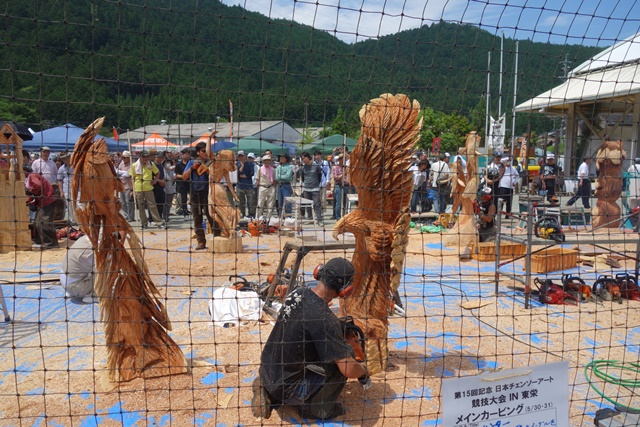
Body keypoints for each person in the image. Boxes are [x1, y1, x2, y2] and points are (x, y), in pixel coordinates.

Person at [253, 257, 368, 420]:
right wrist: (363, 372)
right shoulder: (324, 319)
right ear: (345, 289)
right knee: (345, 353)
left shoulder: (298, 293)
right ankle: (316, 408)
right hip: (289, 387)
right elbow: (348, 370)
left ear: (319, 272)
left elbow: (306, 322)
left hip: (267, 369)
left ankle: (267, 390)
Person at [182, 142, 217, 250]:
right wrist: (192, 168)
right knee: (197, 218)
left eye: (207, 150)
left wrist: (209, 172)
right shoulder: (192, 162)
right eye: (203, 151)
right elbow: (184, 177)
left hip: (208, 193)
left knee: (212, 216)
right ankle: (201, 241)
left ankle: (217, 238)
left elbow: (217, 177)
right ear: (198, 152)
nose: (205, 153)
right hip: (195, 193)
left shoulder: (211, 162)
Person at [129, 150, 164, 229]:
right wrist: (132, 190)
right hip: (138, 188)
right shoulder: (134, 165)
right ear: (140, 157)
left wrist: (155, 180)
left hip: (148, 188)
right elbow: (132, 178)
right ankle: (144, 223)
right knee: (141, 207)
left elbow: (158, 173)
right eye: (144, 157)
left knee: (152, 206)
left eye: (147, 157)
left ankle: (158, 222)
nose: (146, 159)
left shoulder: (150, 164)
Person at [25, 171, 59, 250]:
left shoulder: (32, 175)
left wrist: (30, 191)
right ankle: (38, 241)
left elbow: (37, 185)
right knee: (37, 222)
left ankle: (50, 243)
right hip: (44, 200)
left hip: (47, 199)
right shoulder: (32, 176)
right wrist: (30, 200)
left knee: (44, 222)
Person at [32, 146, 65, 221]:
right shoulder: (36, 163)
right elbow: (33, 175)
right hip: (40, 188)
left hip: (51, 188)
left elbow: (56, 175)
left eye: (47, 152)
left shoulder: (52, 163)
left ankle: (50, 220)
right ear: (41, 153)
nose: (46, 154)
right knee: (40, 205)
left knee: (51, 205)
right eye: (44, 152)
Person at [59, 235, 96, 303]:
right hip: (76, 288)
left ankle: (76, 291)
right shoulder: (94, 249)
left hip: (66, 284)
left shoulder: (84, 238)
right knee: (108, 266)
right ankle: (94, 295)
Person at [297, 151, 324, 225]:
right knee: (307, 204)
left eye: (304, 158)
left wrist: (316, 184)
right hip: (306, 189)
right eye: (302, 159)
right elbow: (302, 177)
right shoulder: (303, 168)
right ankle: (310, 218)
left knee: (317, 204)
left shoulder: (316, 166)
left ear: (308, 157)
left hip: (315, 189)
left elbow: (319, 176)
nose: (303, 160)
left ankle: (319, 220)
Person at [255, 154, 277, 221]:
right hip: (262, 187)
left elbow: (274, 180)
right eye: (265, 160)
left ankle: (268, 219)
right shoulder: (260, 169)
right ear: (263, 161)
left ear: (270, 161)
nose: (267, 162)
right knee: (260, 203)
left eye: (268, 160)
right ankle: (257, 218)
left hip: (271, 187)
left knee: (270, 205)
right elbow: (257, 180)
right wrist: (260, 187)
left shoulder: (273, 170)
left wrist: (274, 187)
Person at [236, 150, 256, 219]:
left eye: (242, 156)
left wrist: (246, 176)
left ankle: (252, 215)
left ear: (245, 156)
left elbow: (252, 173)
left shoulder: (250, 164)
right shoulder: (236, 164)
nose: (241, 158)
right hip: (240, 186)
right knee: (240, 202)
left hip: (249, 186)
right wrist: (241, 167)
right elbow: (236, 174)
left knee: (251, 202)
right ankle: (242, 214)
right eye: (239, 156)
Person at [57, 152, 75, 225]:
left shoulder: (76, 166)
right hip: (66, 189)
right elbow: (59, 180)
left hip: (77, 189)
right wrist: (61, 191)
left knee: (78, 205)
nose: (65, 159)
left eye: (66, 157)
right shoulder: (61, 168)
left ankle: (80, 222)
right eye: (63, 158)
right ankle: (73, 222)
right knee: (69, 206)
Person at [149, 150, 166, 223]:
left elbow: (163, 175)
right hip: (154, 186)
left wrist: (163, 181)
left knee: (160, 203)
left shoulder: (161, 166)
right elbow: (151, 176)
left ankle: (159, 217)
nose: (161, 159)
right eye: (159, 157)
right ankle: (151, 219)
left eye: (162, 157)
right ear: (156, 157)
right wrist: (159, 181)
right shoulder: (152, 165)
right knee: (153, 203)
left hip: (161, 187)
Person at [117, 151, 135, 222]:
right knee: (123, 202)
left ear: (128, 158)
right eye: (123, 157)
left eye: (124, 157)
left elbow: (128, 174)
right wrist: (123, 173)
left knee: (129, 202)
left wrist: (122, 173)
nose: (123, 159)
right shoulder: (121, 163)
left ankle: (131, 217)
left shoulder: (132, 165)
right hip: (122, 185)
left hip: (128, 186)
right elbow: (117, 171)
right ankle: (126, 215)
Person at [174, 148, 191, 217]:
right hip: (182, 183)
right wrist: (184, 176)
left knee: (192, 197)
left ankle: (192, 210)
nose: (187, 156)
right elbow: (176, 174)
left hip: (190, 182)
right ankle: (185, 211)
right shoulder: (178, 164)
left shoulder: (191, 163)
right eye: (186, 154)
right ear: (182, 155)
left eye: (188, 154)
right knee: (183, 198)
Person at [314, 150, 331, 215]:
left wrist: (327, 181)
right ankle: (318, 213)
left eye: (318, 155)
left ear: (320, 155)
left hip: (323, 183)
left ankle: (322, 213)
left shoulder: (325, 162)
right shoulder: (314, 163)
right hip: (315, 184)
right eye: (315, 155)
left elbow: (328, 172)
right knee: (317, 200)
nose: (317, 156)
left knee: (323, 199)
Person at [331, 154, 346, 220]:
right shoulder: (335, 168)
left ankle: (345, 216)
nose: (343, 160)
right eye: (341, 159)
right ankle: (338, 217)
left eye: (344, 158)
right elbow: (336, 178)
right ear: (339, 160)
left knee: (345, 202)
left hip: (346, 185)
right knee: (338, 203)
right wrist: (343, 174)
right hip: (338, 186)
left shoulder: (346, 167)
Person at [162, 158, 177, 223]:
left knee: (168, 204)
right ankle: (162, 216)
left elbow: (174, 176)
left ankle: (166, 216)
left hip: (170, 188)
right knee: (163, 203)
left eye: (169, 162)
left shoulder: (172, 171)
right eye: (166, 162)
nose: (168, 164)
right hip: (163, 189)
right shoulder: (162, 170)